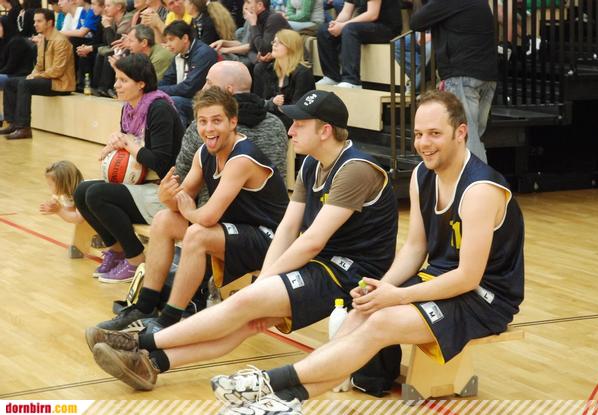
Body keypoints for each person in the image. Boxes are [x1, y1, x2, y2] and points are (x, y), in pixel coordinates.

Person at [208, 90, 525, 414]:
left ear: (461, 132)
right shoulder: (422, 175)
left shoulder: (480, 190)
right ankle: (284, 400)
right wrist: (382, 287)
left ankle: (269, 383)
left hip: (485, 298)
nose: (424, 143)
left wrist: (397, 296)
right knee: (361, 312)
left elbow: (468, 278)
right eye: (418, 134)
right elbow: (416, 247)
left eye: (434, 133)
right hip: (440, 278)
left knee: (379, 321)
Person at [84, 89, 399, 394]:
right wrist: (264, 281)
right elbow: (289, 229)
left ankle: (141, 341)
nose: (290, 131)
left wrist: (262, 283)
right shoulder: (311, 164)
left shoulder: (355, 169)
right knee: (249, 320)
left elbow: (312, 241)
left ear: (325, 130)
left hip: (353, 273)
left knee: (243, 304)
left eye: (300, 124)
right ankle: (151, 364)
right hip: (319, 261)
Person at [89, 85, 289, 333]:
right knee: (164, 219)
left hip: (270, 240)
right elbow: (180, 200)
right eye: (203, 121)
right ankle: (145, 306)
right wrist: (166, 196)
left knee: (197, 234)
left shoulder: (242, 159)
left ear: (233, 122)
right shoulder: (204, 152)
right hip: (235, 230)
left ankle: (168, 320)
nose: (209, 128)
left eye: (216, 121)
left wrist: (187, 209)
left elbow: (207, 216)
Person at [74, 54, 184, 283]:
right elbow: (130, 146)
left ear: (141, 83)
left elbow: (162, 162)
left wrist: (128, 144)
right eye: (116, 79)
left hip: (164, 192)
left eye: (123, 80)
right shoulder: (129, 108)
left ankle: (135, 259)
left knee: (97, 194)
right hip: (142, 185)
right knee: (82, 191)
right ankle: (116, 251)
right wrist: (115, 142)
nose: (116, 85)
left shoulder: (159, 109)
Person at [174, 60, 289, 208]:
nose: (203, 88)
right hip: (271, 214)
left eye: (209, 83)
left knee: (167, 215)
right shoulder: (276, 124)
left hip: (214, 215)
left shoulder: (205, 127)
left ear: (228, 90)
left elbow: (181, 176)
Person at [408, 0, 498, 163]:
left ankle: (474, 178)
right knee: (474, 136)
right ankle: (479, 176)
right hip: (487, 76)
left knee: (467, 137)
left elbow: (416, 21)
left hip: (462, 75)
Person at [0, 8, 75, 140]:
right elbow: (39, 65)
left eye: (39, 21)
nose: (35, 24)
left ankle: (24, 128)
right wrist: (33, 74)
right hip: (47, 78)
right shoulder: (43, 39)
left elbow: (57, 70)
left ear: (49, 23)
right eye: (35, 21)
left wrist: (36, 76)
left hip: (60, 83)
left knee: (24, 84)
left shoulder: (61, 41)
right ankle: (12, 123)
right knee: (10, 82)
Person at [315, 0, 402, 89]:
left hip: (386, 27)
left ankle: (351, 80)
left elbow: (372, 14)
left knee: (349, 29)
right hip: (364, 26)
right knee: (324, 30)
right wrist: (335, 24)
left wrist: (343, 25)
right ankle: (332, 77)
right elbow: (346, 12)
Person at [158, 20, 218, 127]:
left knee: (173, 101)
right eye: (166, 41)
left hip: (205, 100)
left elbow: (189, 88)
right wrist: (150, 88)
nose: (168, 44)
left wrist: (158, 91)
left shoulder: (204, 54)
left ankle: (180, 136)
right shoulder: (178, 55)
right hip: (188, 98)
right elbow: (168, 79)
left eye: (171, 39)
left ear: (185, 38)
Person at [259, 28, 314, 129]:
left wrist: (273, 105)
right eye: (274, 42)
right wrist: (272, 103)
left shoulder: (303, 73)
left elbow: (299, 109)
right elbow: (263, 102)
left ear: (291, 47)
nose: (274, 45)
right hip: (273, 118)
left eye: (280, 42)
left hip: (294, 122)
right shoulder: (270, 69)